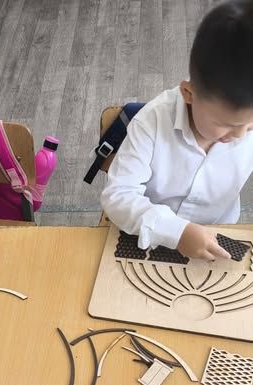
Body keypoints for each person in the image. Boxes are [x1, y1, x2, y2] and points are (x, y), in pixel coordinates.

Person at [100, 0, 253, 260]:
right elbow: (118, 195)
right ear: (188, 93)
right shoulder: (151, 123)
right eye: (224, 124)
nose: (240, 135)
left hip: (219, 240)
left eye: (250, 125)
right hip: (148, 236)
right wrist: (176, 231)